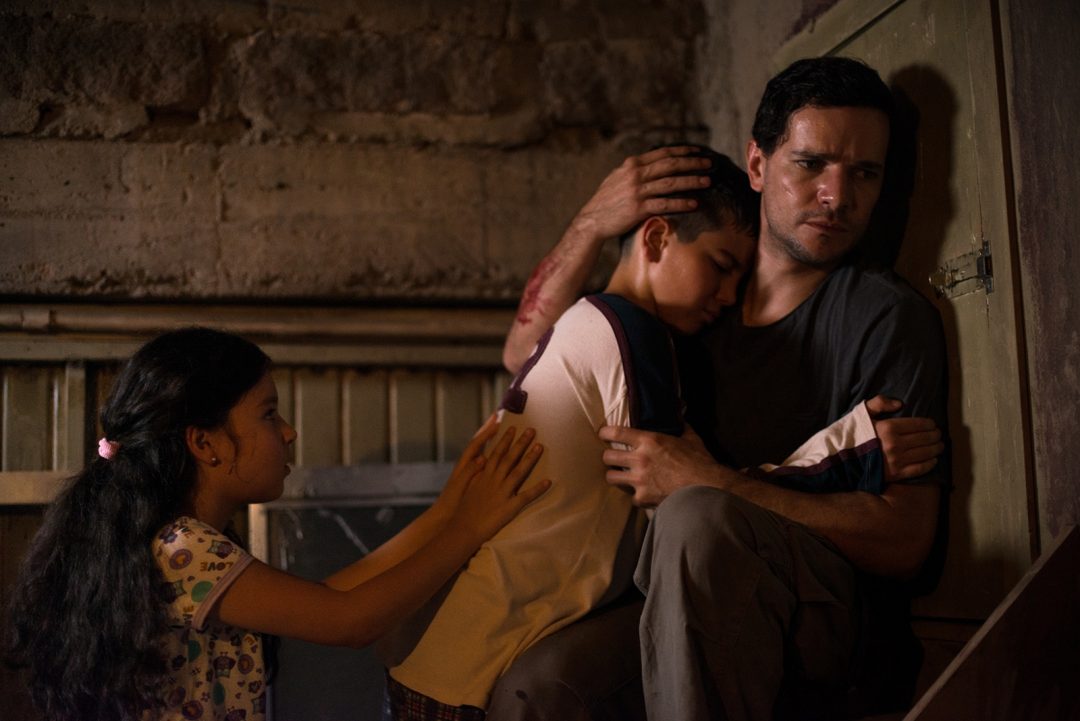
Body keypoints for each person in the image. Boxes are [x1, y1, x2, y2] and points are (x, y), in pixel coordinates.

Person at [380, 148, 941, 720]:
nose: (728, 296)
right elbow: (684, 490)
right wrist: (850, 449)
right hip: (470, 673)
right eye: (720, 265)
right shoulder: (633, 336)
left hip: (441, 659)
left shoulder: (582, 321)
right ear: (654, 239)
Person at [496, 57, 948, 721]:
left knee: (696, 517)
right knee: (536, 688)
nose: (836, 195)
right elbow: (523, 354)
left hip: (822, 612)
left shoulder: (887, 318)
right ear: (758, 165)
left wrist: (709, 482)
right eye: (811, 164)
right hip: (674, 586)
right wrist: (591, 223)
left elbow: (905, 541)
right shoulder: (694, 296)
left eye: (864, 173)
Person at [3, 327, 549, 721]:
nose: (288, 432)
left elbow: (331, 597)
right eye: (268, 413)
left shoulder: (183, 543)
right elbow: (349, 620)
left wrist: (448, 510)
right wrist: (467, 530)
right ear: (205, 443)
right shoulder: (184, 549)